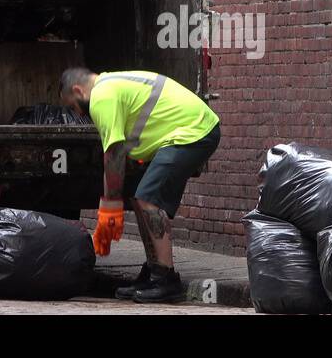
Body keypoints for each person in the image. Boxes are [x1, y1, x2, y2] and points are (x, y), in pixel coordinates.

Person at [60, 68, 220, 303]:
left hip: (194, 132)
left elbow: (113, 155)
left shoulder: (101, 96)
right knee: (139, 198)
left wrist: (111, 207)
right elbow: (116, 155)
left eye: (74, 106)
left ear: (78, 90)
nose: (78, 112)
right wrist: (108, 203)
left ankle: (166, 279)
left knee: (148, 199)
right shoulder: (111, 85)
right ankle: (154, 270)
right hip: (192, 129)